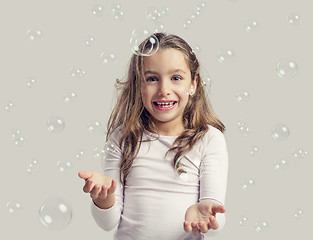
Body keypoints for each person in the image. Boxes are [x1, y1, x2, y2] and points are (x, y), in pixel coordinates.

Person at [78, 32, 228, 240]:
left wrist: (206, 213)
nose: (164, 89)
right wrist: (103, 196)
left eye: (176, 78)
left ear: (193, 84)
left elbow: (217, 218)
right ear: (138, 85)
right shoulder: (123, 138)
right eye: (151, 79)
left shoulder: (209, 139)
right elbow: (107, 222)